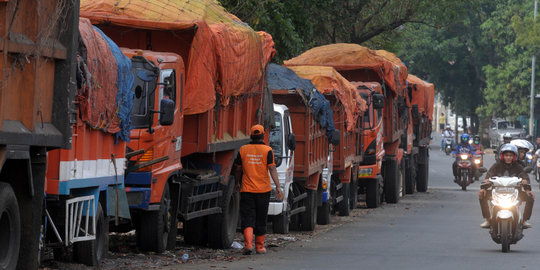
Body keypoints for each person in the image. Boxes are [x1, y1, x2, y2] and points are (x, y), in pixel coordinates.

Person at [234, 124, 282, 255]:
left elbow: (238, 169)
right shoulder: (268, 150)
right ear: (262, 136)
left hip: (247, 191)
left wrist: (237, 183)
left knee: (248, 218)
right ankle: (259, 247)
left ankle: (248, 244)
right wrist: (278, 186)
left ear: (251, 136)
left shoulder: (243, 150)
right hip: (263, 191)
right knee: (261, 218)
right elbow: (272, 168)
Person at [478, 144, 534, 229]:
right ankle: (488, 219)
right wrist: (484, 186)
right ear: (502, 156)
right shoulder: (496, 166)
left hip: (515, 193)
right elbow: (488, 176)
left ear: (514, 157)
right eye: (506, 155)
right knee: (481, 194)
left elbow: (525, 176)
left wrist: (527, 187)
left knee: (530, 197)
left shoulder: (518, 167)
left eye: (510, 156)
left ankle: (524, 220)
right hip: (497, 192)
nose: (508, 157)